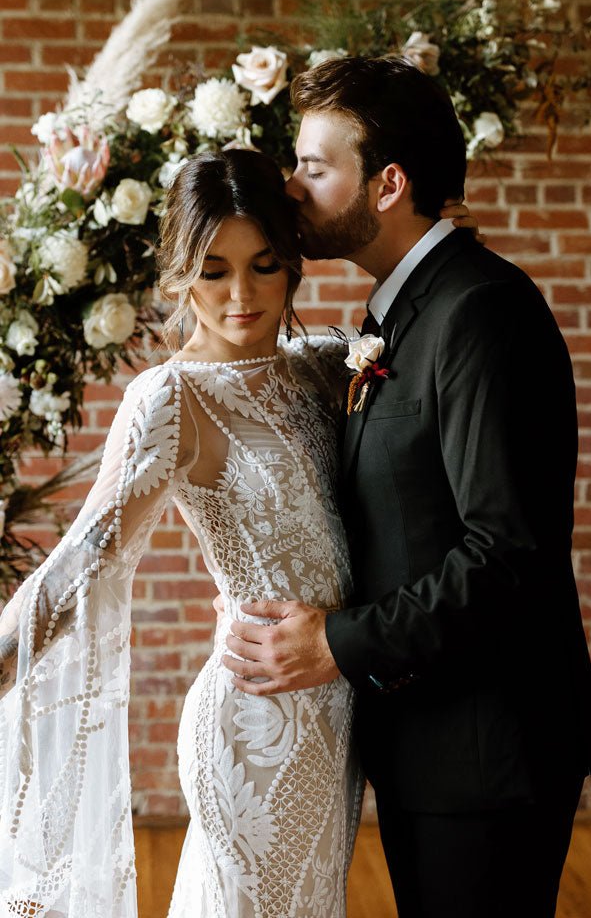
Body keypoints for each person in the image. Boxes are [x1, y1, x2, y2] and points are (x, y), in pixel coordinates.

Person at [0, 147, 473, 918]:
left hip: (337, 718)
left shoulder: (325, 364)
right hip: (253, 729)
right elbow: (81, 560)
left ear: (292, 262)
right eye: (214, 271)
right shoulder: (170, 398)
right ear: (181, 274)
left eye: (264, 265)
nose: (242, 295)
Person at [221, 56, 591, 918]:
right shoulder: (403, 311)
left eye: (314, 167)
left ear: (388, 184)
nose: (292, 186)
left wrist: (337, 642)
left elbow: (507, 554)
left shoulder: (480, 311)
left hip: (486, 754)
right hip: (429, 743)